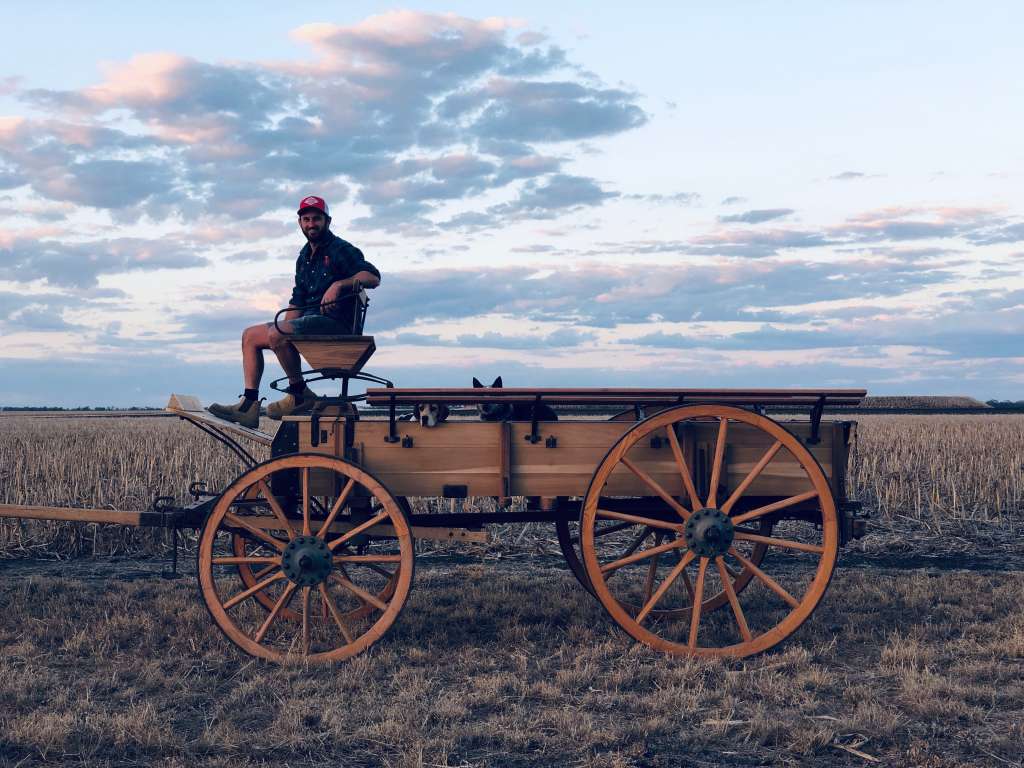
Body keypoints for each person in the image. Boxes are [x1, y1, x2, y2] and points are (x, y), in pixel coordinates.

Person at [208, 196, 380, 427]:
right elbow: (297, 300)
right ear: (300, 223)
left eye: (316, 219)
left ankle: (299, 393)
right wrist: (280, 332)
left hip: (334, 323)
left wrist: (339, 285)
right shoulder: (303, 257)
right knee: (250, 335)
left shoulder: (341, 249)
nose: (311, 224)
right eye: (306, 219)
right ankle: (249, 405)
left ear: (327, 221)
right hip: (308, 320)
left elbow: (372, 277)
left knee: (278, 333)